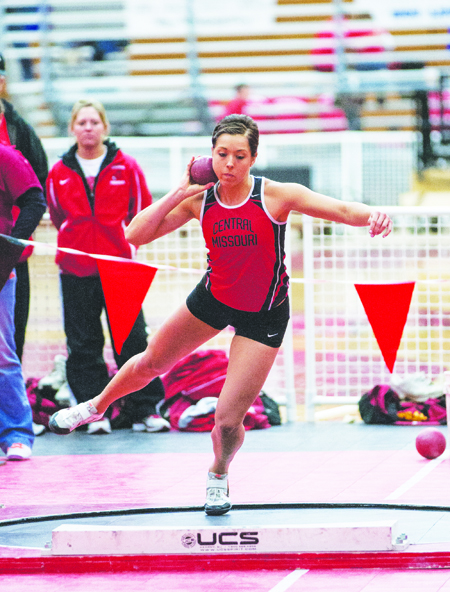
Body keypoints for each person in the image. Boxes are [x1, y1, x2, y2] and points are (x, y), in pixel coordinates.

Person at [49, 114, 392, 513]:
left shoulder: (277, 196)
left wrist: (374, 215)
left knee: (228, 422)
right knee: (149, 363)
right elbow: (134, 235)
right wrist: (179, 191)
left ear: (254, 158)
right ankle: (95, 406)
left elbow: (344, 209)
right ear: (210, 155)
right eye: (222, 154)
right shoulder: (200, 200)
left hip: (263, 314)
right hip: (213, 298)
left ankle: (218, 473)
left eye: (239, 156)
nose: (229, 164)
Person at [46, 99, 166, 435]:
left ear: (105, 127)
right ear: (72, 128)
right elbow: (58, 216)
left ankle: (144, 410)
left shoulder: (126, 166)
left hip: (120, 267)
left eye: (94, 122)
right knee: (83, 343)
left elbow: (142, 213)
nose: (88, 128)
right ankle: (93, 412)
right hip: (75, 268)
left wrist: (126, 248)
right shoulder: (59, 172)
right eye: (81, 122)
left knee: (132, 341)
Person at [0, 52, 49, 361]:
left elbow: (37, 186)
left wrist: (15, 240)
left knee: (12, 339)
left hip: (13, 251)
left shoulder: (20, 130)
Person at [0, 142, 47, 460]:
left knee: (2, 354)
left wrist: (11, 249)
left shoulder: (5, 155)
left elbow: (34, 200)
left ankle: (17, 433)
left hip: (0, 269)